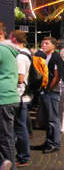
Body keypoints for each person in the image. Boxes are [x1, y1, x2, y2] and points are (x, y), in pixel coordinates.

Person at [40, 36, 64, 154]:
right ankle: (49, 141)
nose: (43, 45)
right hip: (46, 91)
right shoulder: (46, 57)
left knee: (53, 119)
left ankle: (55, 143)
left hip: (51, 92)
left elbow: (57, 76)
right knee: (48, 119)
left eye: (46, 43)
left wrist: (48, 89)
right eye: (42, 43)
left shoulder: (55, 58)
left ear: (53, 46)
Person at [9, 30, 32, 167]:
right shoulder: (27, 53)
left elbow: (20, 78)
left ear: (13, 39)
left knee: (19, 128)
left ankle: (23, 157)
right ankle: (23, 156)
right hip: (22, 96)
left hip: (19, 96)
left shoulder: (20, 57)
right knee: (21, 127)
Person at [0, 22, 21, 170]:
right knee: (6, 136)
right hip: (8, 97)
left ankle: (7, 163)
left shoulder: (1, 49)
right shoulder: (8, 49)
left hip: (3, 98)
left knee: (5, 138)